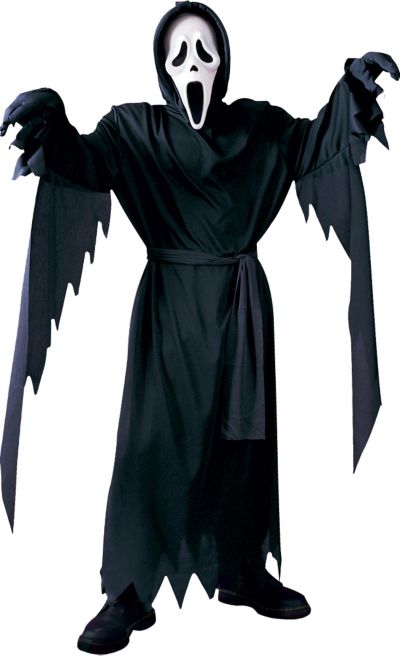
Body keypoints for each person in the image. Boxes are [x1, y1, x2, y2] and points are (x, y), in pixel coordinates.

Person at [0, 2, 398, 654]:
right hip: (170, 309)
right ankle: (126, 592)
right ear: (163, 65)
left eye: (205, 52)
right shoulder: (134, 131)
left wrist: (352, 91)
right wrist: (51, 121)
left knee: (244, 441)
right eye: (180, 53)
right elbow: (83, 161)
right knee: (151, 442)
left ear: (223, 62)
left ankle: (241, 569)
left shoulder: (258, 129)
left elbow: (317, 144)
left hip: (241, 309)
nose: (194, 64)